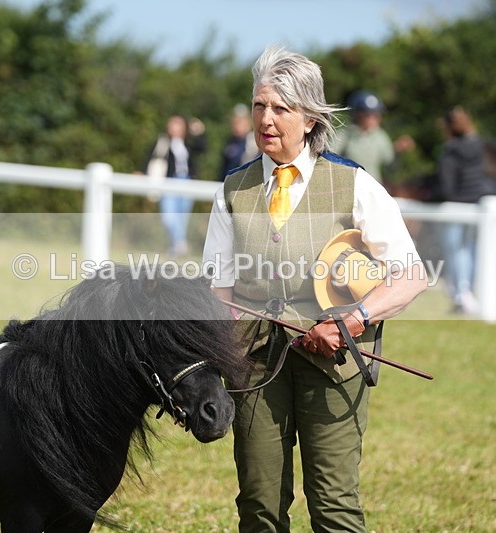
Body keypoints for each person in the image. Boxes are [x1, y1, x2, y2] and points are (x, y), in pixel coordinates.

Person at [203, 45, 427, 533]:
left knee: (333, 507)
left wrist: (352, 320)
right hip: (256, 365)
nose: (266, 118)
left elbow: (411, 275)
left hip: (337, 362)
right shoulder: (231, 191)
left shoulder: (355, 185)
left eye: (281, 108)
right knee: (259, 506)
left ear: (309, 119)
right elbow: (217, 288)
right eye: (260, 105)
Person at [437, 106, 496, 315]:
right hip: (475, 205)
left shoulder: (451, 151)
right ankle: (468, 293)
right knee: (469, 250)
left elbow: (446, 185)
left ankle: (461, 294)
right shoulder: (479, 147)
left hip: (455, 206)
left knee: (455, 251)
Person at [144, 114, 206, 257]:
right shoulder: (163, 142)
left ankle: (176, 247)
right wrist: (141, 172)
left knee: (182, 218)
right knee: (168, 217)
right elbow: (150, 158)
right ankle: (179, 244)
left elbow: (203, 147)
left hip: (187, 181)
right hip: (169, 182)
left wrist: (199, 131)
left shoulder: (187, 145)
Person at [332, 90, 414, 182]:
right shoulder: (345, 134)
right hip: (349, 186)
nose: (374, 118)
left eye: (376, 114)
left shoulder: (380, 136)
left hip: (372, 188)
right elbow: (329, 158)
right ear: (357, 114)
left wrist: (397, 152)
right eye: (368, 114)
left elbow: (390, 168)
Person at [221, 104, 259, 180]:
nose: (237, 125)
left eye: (240, 121)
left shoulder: (254, 142)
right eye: (235, 121)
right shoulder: (230, 142)